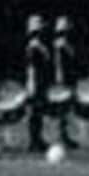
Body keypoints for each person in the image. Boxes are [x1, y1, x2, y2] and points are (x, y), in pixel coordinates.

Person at [50, 15, 80, 149]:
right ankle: (60, 136)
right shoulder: (60, 45)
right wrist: (60, 82)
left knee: (66, 110)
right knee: (61, 110)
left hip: (68, 79)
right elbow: (59, 65)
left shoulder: (66, 45)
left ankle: (64, 135)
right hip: (62, 81)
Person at [23, 14, 51, 152]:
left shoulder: (40, 47)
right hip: (36, 82)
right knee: (34, 112)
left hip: (41, 82)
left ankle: (38, 138)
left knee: (38, 112)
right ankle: (33, 140)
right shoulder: (34, 47)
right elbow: (32, 69)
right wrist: (32, 86)